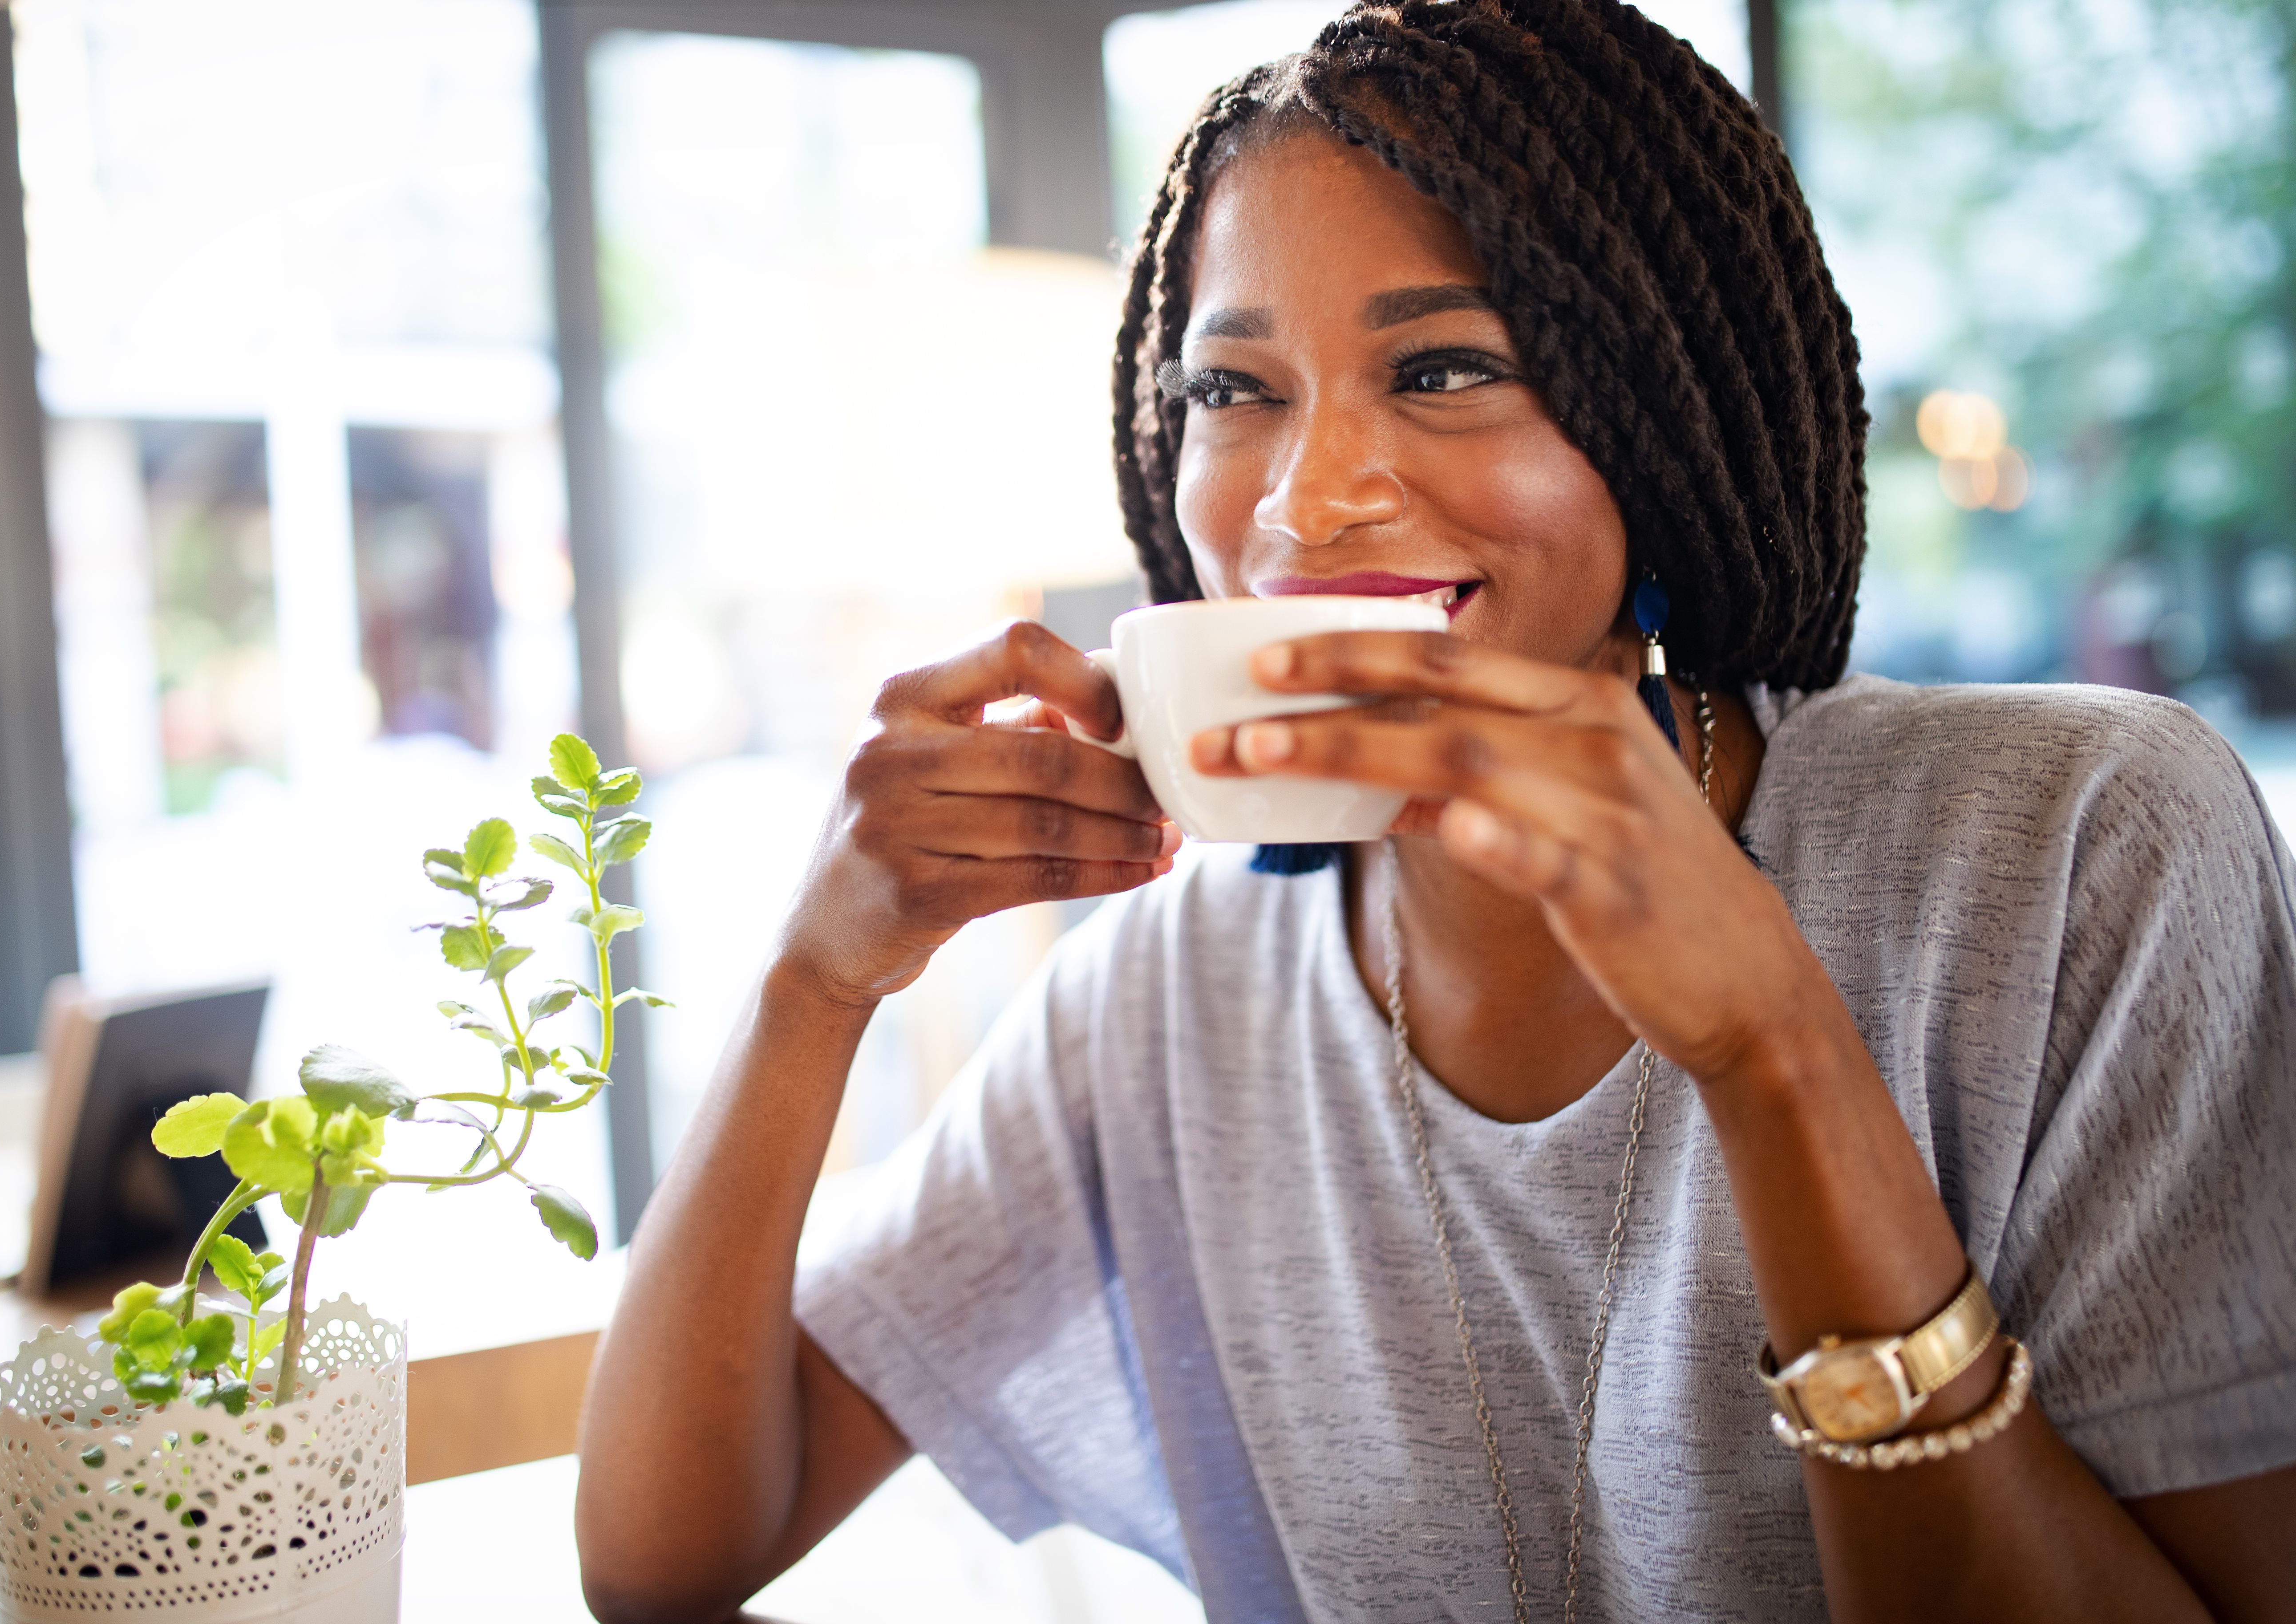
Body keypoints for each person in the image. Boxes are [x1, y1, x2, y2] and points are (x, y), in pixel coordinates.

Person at [574, 4, 2296, 1620]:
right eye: (1234, 393)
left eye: (1449, 366)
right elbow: (668, 1553)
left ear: (1659, 409)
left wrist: (1775, 1047)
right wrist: (818, 982)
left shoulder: (2079, 843)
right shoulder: (1168, 994)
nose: (1310, 500)